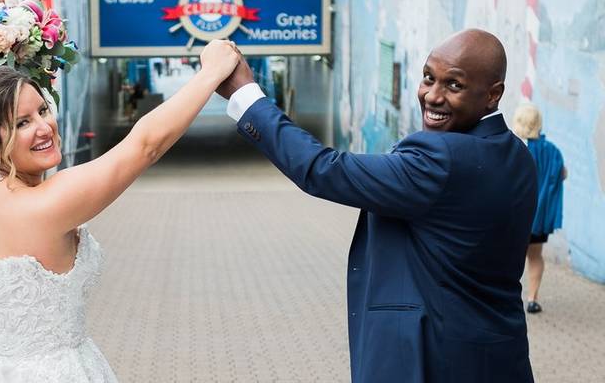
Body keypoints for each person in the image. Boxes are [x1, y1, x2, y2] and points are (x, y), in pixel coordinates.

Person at [218, 29, 537, 382]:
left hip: (432, 361)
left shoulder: (442, 159)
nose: (432, 96)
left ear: (493, 94)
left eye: (454, 86)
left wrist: (245, 95)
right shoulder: (517, 155)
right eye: (428, 78)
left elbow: (323, 170)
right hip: (498, 356)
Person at [0, 39, 239, 382]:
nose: (44, 127)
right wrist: (212, 73)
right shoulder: (46, 205)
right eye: (22, 123)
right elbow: (145, 145)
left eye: (42, 110)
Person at [512, 103, 566, 314]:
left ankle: (510, 298)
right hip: (540, 218)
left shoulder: (515, 148)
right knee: (535, 256)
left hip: (518, 217)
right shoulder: (552, 151)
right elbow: (562, 174)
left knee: (511, 258)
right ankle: (533, 299)